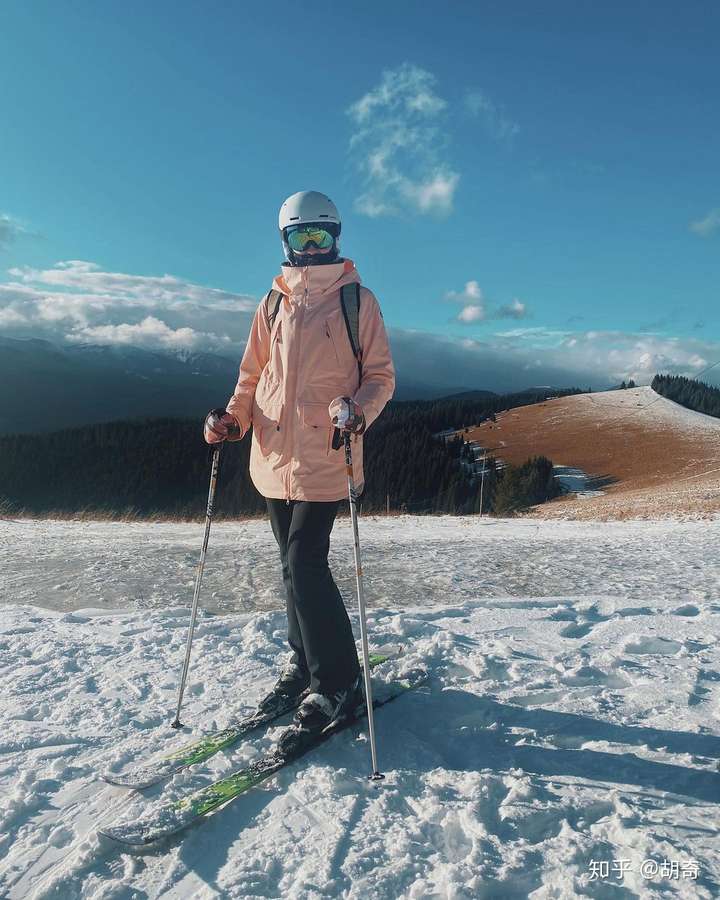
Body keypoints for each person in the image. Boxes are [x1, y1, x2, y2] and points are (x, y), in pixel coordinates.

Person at [204, 190, 395, 736]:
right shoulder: (271, 304)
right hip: (271, 457)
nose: (312, 249)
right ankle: (305, 662)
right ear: (284, 241)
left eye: (321, 237)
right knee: (292, 569)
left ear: (337, 238)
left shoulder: (358, 301)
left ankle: (336, 680)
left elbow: (381, 376)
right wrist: (231, 422)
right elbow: (251, 377)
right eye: (300, 238)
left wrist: (358, 410)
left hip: (327, 456)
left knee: (304, 563)